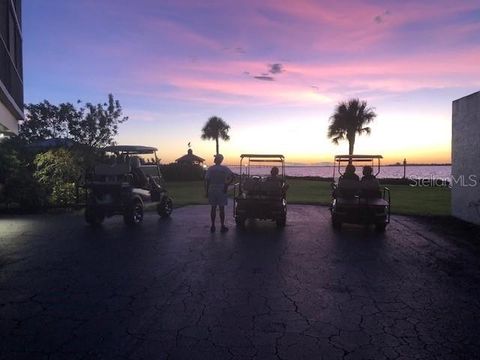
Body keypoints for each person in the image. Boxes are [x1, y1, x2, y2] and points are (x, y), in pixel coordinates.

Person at [205, 154, 233, 233]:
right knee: (221, 209)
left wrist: (207, 192)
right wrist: (227, 185)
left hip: (212, 189)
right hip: (222, 189)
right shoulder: (224, 168)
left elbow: (207, 181)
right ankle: (222, 226)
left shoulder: (211, 169)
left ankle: (213, 226)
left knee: (213, 208)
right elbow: (232, 176)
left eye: (215, 158)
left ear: (216, 160)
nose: (214, 159)